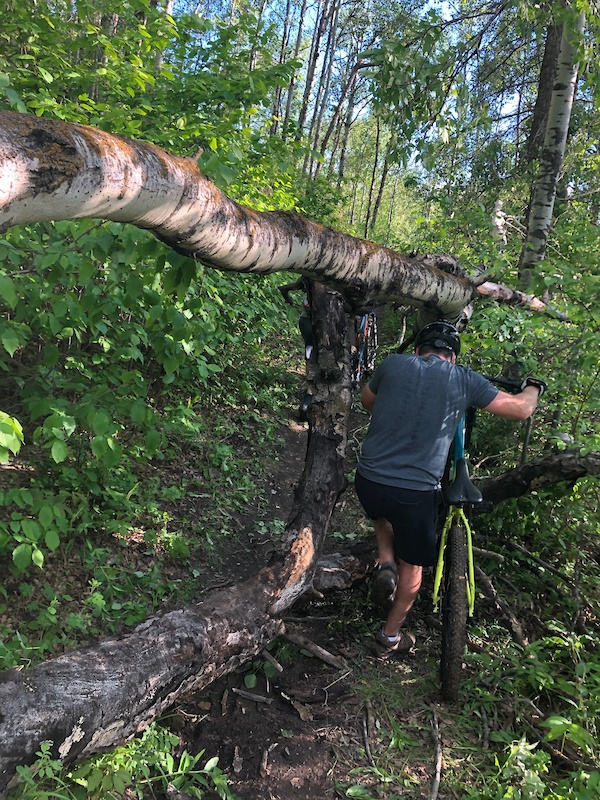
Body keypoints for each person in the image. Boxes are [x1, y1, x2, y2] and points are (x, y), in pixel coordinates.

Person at [354, 320, 547, 658]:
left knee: (382, 514)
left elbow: (368, 400)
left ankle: (385, 562)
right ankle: (390, 636)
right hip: (414, 495)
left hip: (368, 481)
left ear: (417, 351)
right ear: (453, 357)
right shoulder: (464, 378)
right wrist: (532, 388)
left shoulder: (393, 363)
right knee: (412, 567)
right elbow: (521, 411)